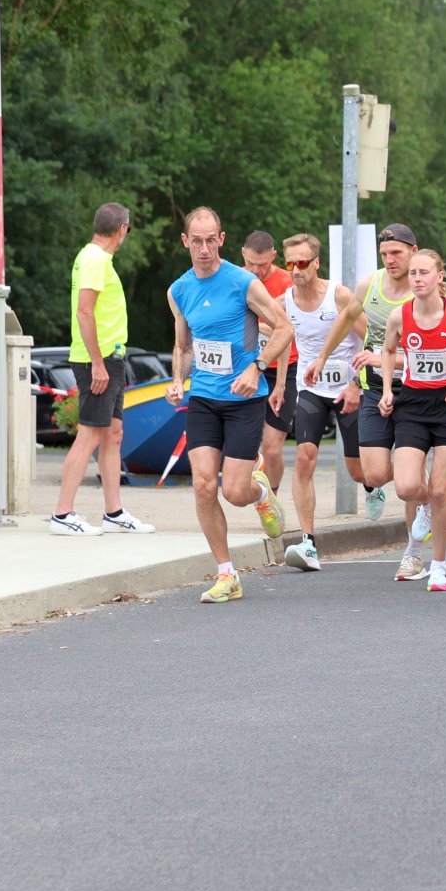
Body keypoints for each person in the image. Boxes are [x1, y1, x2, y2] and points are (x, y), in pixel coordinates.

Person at [165, 207, 294, 603]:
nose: (204, 249)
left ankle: (260, 493)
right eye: (196, 241)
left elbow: (284, 328)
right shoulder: (179, 290)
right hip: (204, 398)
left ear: (221, 240)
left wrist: (257, 368)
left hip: (243, 399)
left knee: (235, 491)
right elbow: (183, 346)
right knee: (204, 485)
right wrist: (177, 380)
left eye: (211, 240)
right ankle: (227, 574)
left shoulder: (242, 283)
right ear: (185, 242)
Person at [382, 249, 446, 591]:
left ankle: (439, 566)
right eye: (412, 273)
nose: (417, 279)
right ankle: (424, 506)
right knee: (406, 487)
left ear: (439, 276)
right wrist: (387, 390)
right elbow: (388, 351)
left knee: (441, 489)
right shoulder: (399, 316)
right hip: (413, 404)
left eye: (424, 272)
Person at [51, 201, 153, 535]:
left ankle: (114, 512)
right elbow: (84, 312)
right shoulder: (95, 259)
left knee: (113, 434)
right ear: (122, 229)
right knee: (90, 435)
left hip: (111, 358)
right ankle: (62, 514)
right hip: (98, 360)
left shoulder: (94, 257)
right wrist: (97, 363)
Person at [306, 222, 416, 531]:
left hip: (414, 389)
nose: (390, 260)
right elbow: (347, 317)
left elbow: (431, 353)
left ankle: (417, 526)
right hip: (375, 388)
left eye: (396, 253)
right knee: (374, 474)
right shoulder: (370, 284)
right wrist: (322, 357)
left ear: (413, 251)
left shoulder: (422, 290)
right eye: (384, 254)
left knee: (407, 483)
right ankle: (415, 477)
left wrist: (384, 358)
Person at [280, 233, 363, 571]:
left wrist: (358, 383)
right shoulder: (284, 301)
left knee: (358, 470)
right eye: (290, 264)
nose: (296, 270)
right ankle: (308, 543)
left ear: (316, 263)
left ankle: (372, 486)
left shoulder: (339, 295)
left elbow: (370, 338)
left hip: (348, 388)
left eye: (302, 263)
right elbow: (274, 333)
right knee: (304, 459)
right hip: (311, 387)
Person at [243, 232, 299, 509]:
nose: (256, 270)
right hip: (249, 369)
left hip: (283, 370)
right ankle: (259, 490)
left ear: (274, 257)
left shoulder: (287, 283)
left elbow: (285, 332)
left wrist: (280, 385)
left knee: (273, 448)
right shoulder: (236, 279)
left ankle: (271, 500)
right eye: (251, 263)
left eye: (263, 265)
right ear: (243, 254)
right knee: (245, 442)